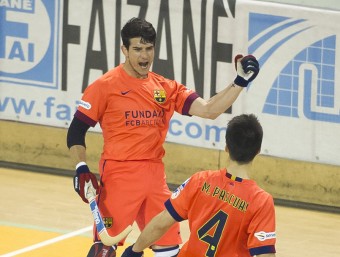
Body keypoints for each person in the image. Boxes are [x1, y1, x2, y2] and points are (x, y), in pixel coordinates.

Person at [66, 17, 260, 257]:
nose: (144, 56)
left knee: (169, 251)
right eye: (137, 49)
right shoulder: (104, 86)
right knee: (103, 250)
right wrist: (81, 167)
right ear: (124, 50)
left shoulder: (166, 88)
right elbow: (76, 130)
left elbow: (209, 109)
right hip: (119, 175)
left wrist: (240, 81)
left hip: (155, 177)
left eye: (149, 49)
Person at [122, 114, 276, 257]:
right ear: (258, 151)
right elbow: (265, 254)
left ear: (226, 147)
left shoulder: (200, 180)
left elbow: (161, 224)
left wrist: (134, 250)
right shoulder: (261, 201)